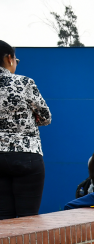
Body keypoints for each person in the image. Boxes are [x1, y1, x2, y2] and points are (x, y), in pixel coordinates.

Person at [0, 41, 52, 220]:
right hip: (26, 153)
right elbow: (45, 116)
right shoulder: (24, 83)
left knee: (3, 219)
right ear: (9, 58)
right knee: (27, 219)